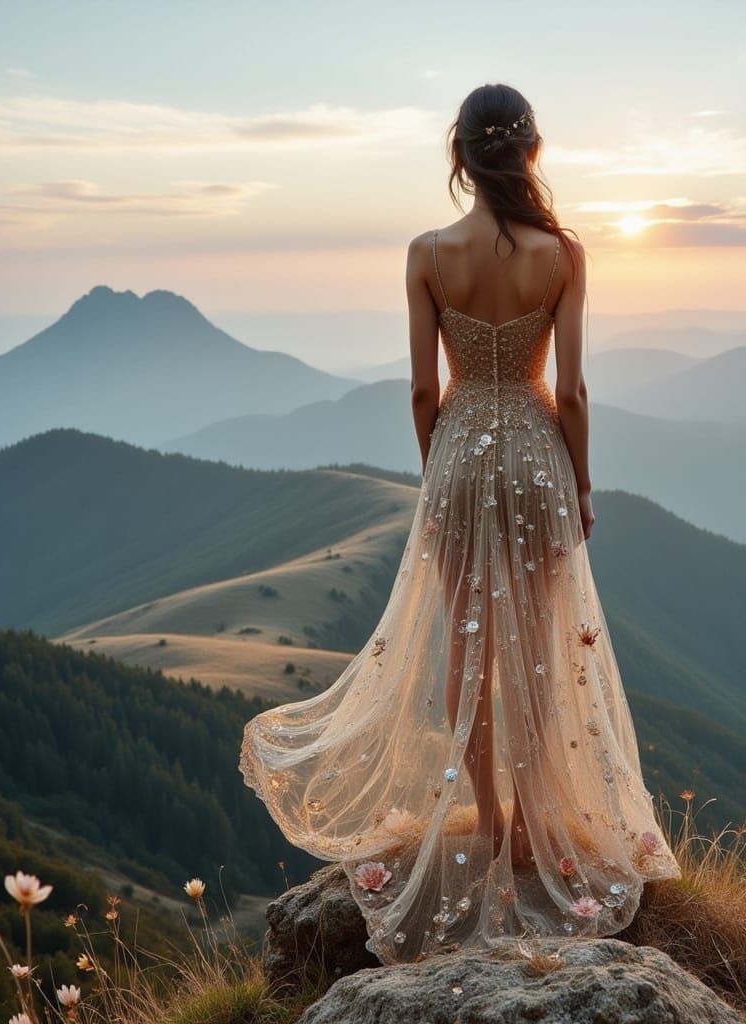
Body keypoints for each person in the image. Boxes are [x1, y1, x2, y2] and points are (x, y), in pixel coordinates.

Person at [239, 82, 680, 966]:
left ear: (461, 155)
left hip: (461, 456)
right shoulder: (564, 254)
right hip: (535, 456)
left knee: (468, 640)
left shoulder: (427, 252)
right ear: (530, 151)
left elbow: (419, 389)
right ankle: (534, 825)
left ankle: (487, 816)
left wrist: (437, 468)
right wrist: (583, 484)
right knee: (543, 644)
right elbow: (575, 391)